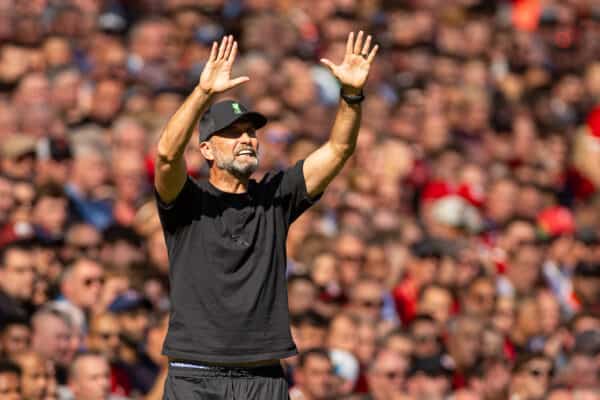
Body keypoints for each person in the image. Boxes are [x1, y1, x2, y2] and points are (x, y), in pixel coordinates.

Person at [154, 32, 378, 399]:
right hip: (194, 375)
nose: (247, 139)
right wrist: (203, 94)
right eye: (233, 133)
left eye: (251, 132)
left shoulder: (275, 195)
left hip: (264, 376)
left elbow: (339, 150)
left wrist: (351, 96)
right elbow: (166, 155)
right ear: (207, 149)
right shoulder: (186, 200)